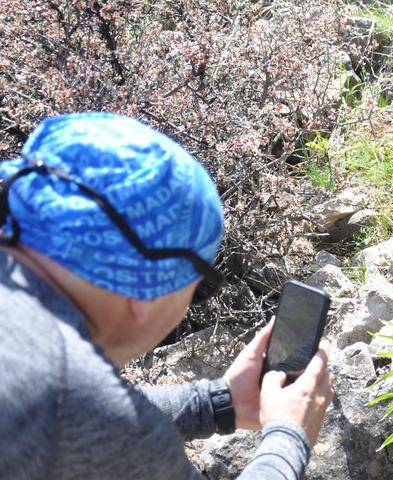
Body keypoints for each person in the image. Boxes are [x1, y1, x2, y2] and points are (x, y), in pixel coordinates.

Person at [0, 113, 334, 479]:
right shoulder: (70, 392)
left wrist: (217, 403)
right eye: (198, 290)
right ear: (147, 289)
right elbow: (84, 413)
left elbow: (72, 420)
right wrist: (290, 437)